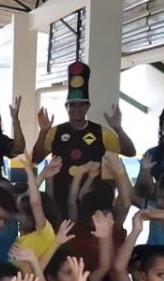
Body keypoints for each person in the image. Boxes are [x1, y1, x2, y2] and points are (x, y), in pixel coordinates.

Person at [31, 62, 136, 208]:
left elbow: (130, 152)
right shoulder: (55, 132)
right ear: (66, 107)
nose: (77, 109)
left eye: (81, 104)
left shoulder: (101, 132)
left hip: (92, 198)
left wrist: (118, 128)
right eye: (72, 105)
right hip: (59, 198)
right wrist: (43, 131)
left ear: (88, 106)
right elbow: (35, 159)